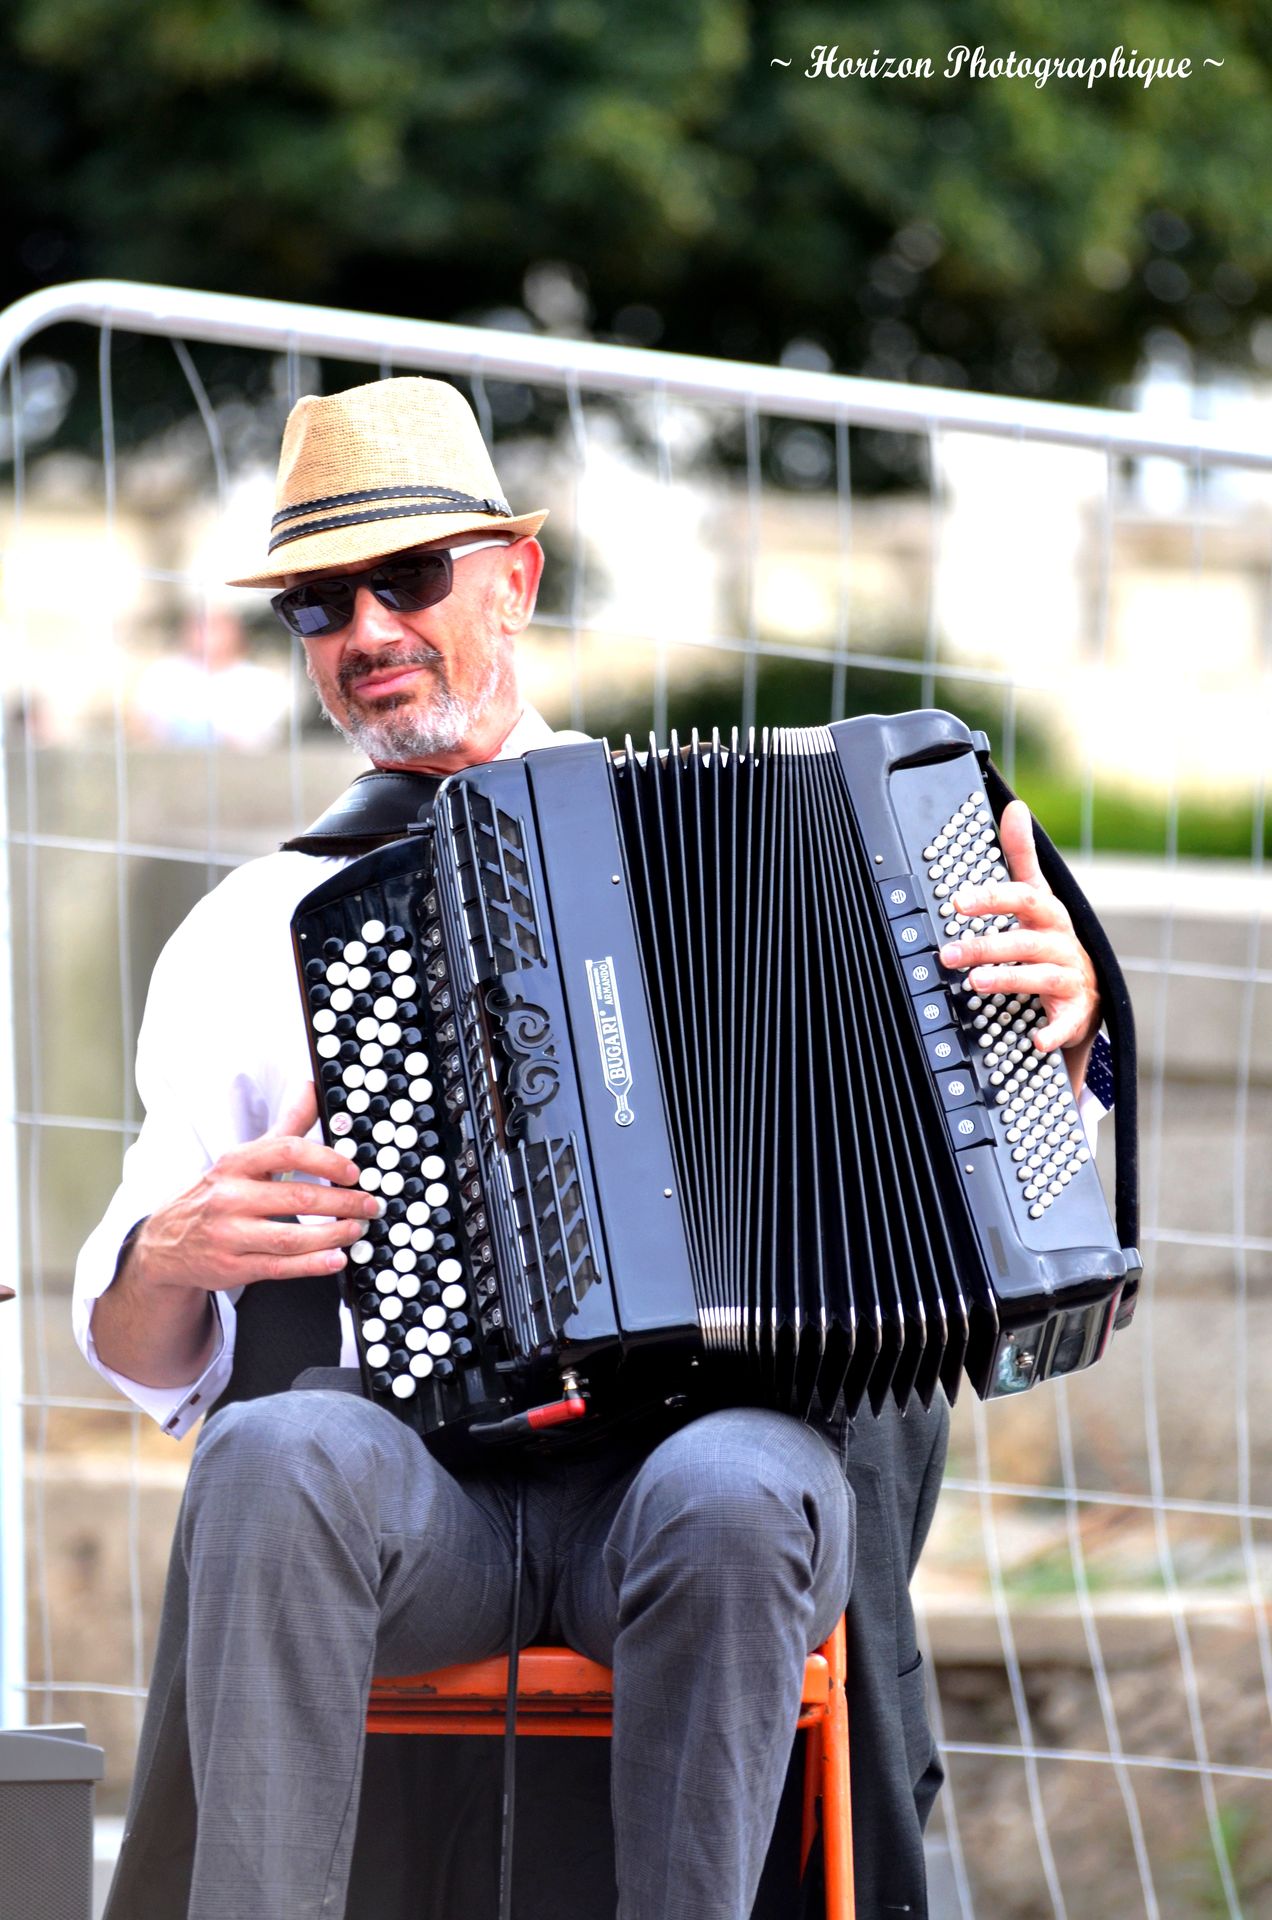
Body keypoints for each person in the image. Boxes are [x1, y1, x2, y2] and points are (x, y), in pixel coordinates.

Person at [74, 377, 1108, 1920]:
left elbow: (1000, 1200)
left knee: (752, 1479)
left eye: (408, 576)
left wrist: (1057, 1038)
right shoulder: (253, 927)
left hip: (675, 1493)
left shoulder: (771, 850)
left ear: (514, 576)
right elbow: (142, 1347)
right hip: (412, 1502)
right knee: (270, 1446)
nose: (366, 630)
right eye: (316, 602)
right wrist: (173, 1257)